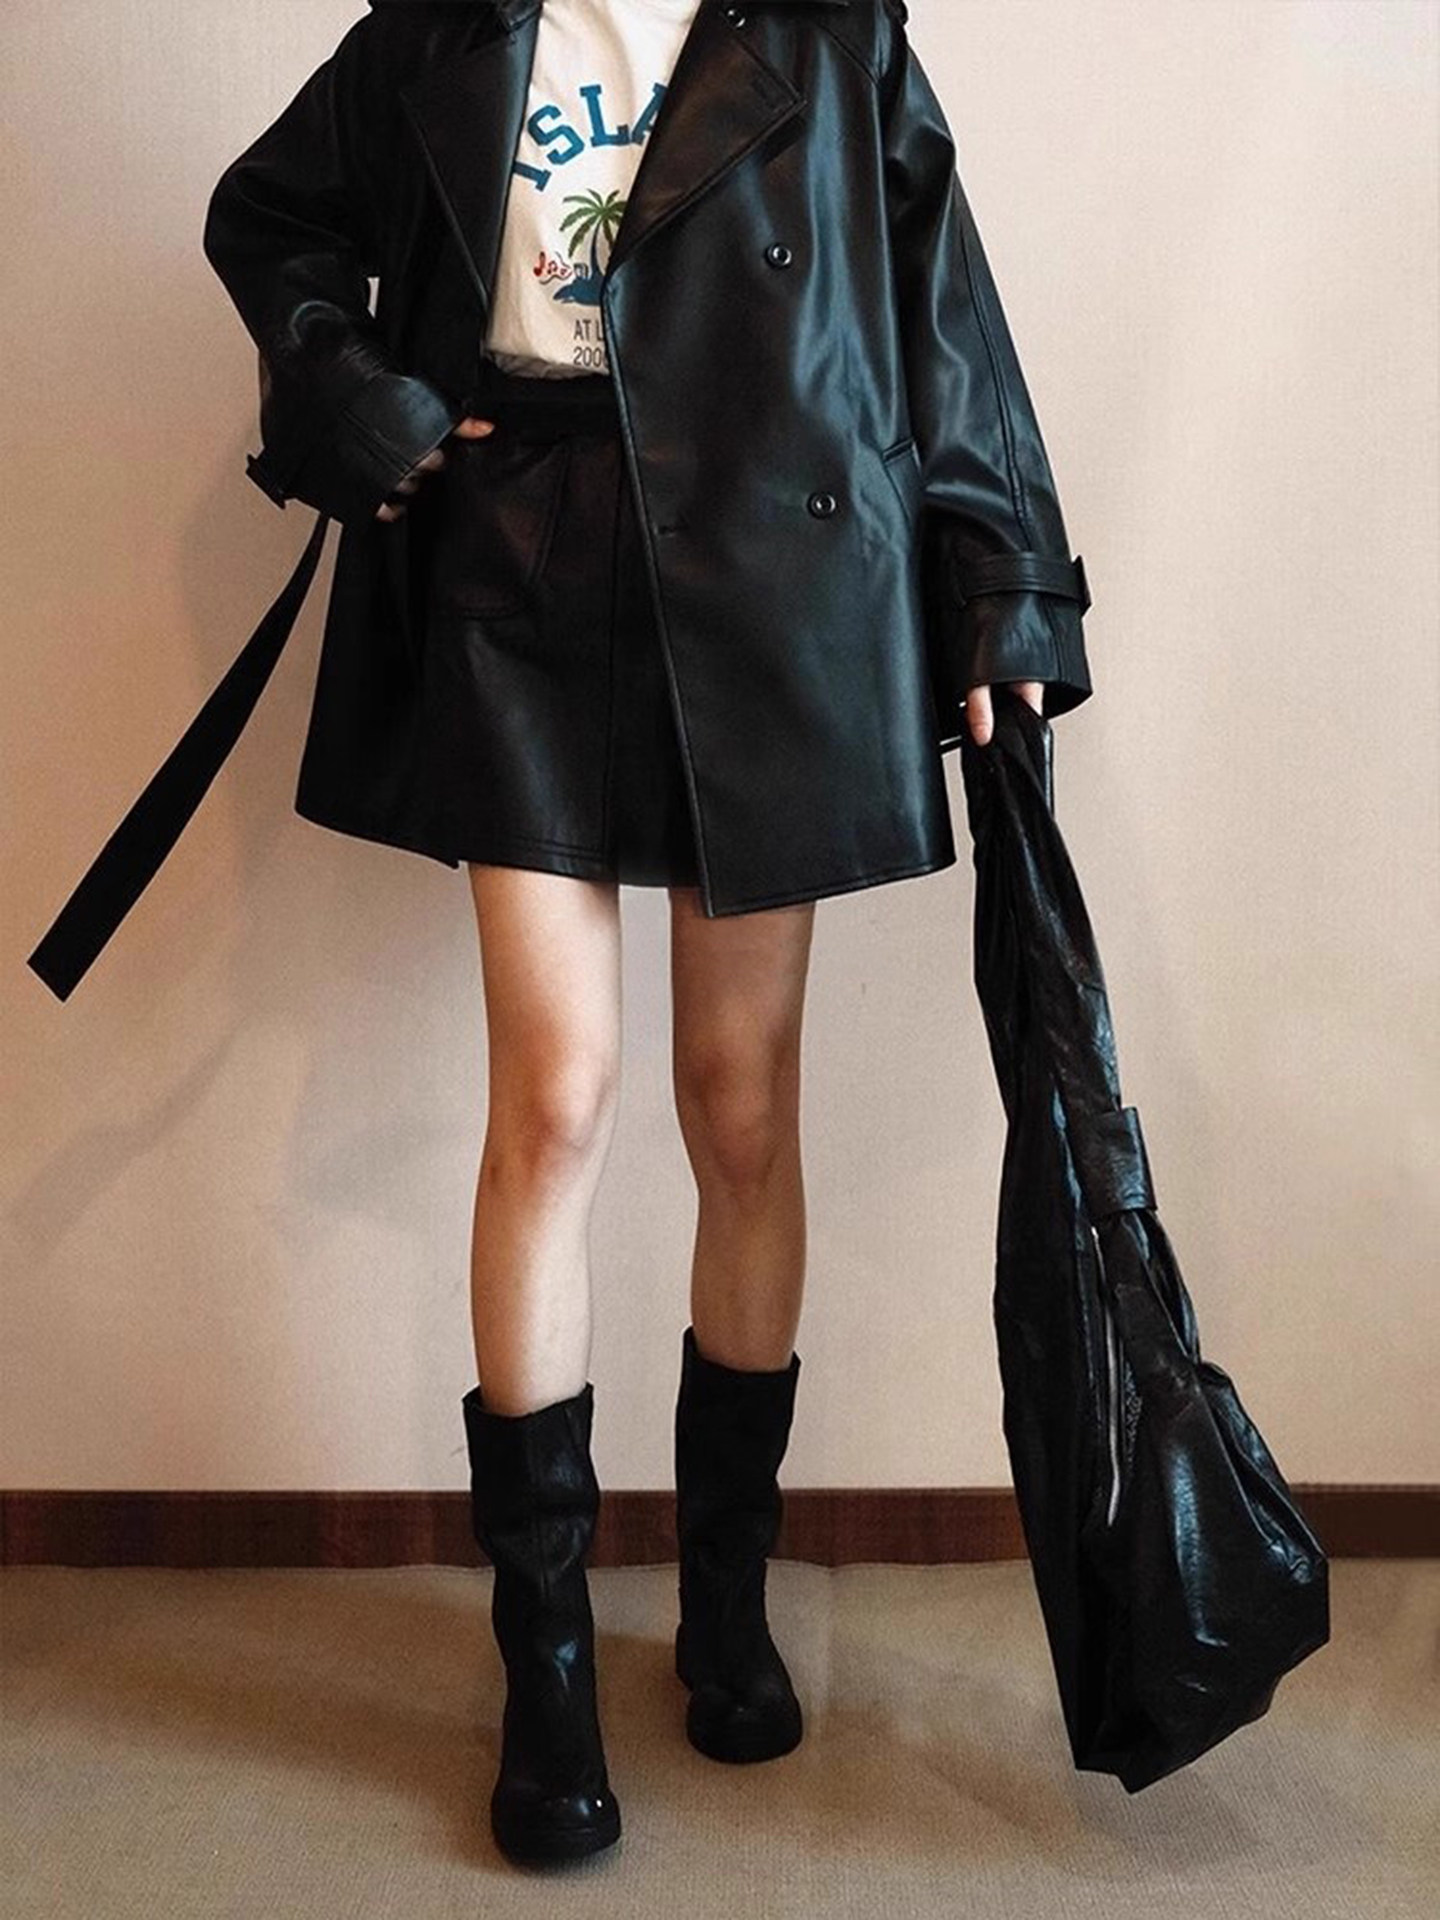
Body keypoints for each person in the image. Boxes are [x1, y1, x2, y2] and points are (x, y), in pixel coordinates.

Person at [193, 0, 1093, 1872]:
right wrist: (337, 381)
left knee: (740, 1103)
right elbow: (268, 217)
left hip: (768, 572)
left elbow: (942, 312)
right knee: (558, 1097)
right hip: (513, 570)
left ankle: (728, 1599)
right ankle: (544, 1665)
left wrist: (1003, 583)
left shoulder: (831, 28)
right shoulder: (442, 23)